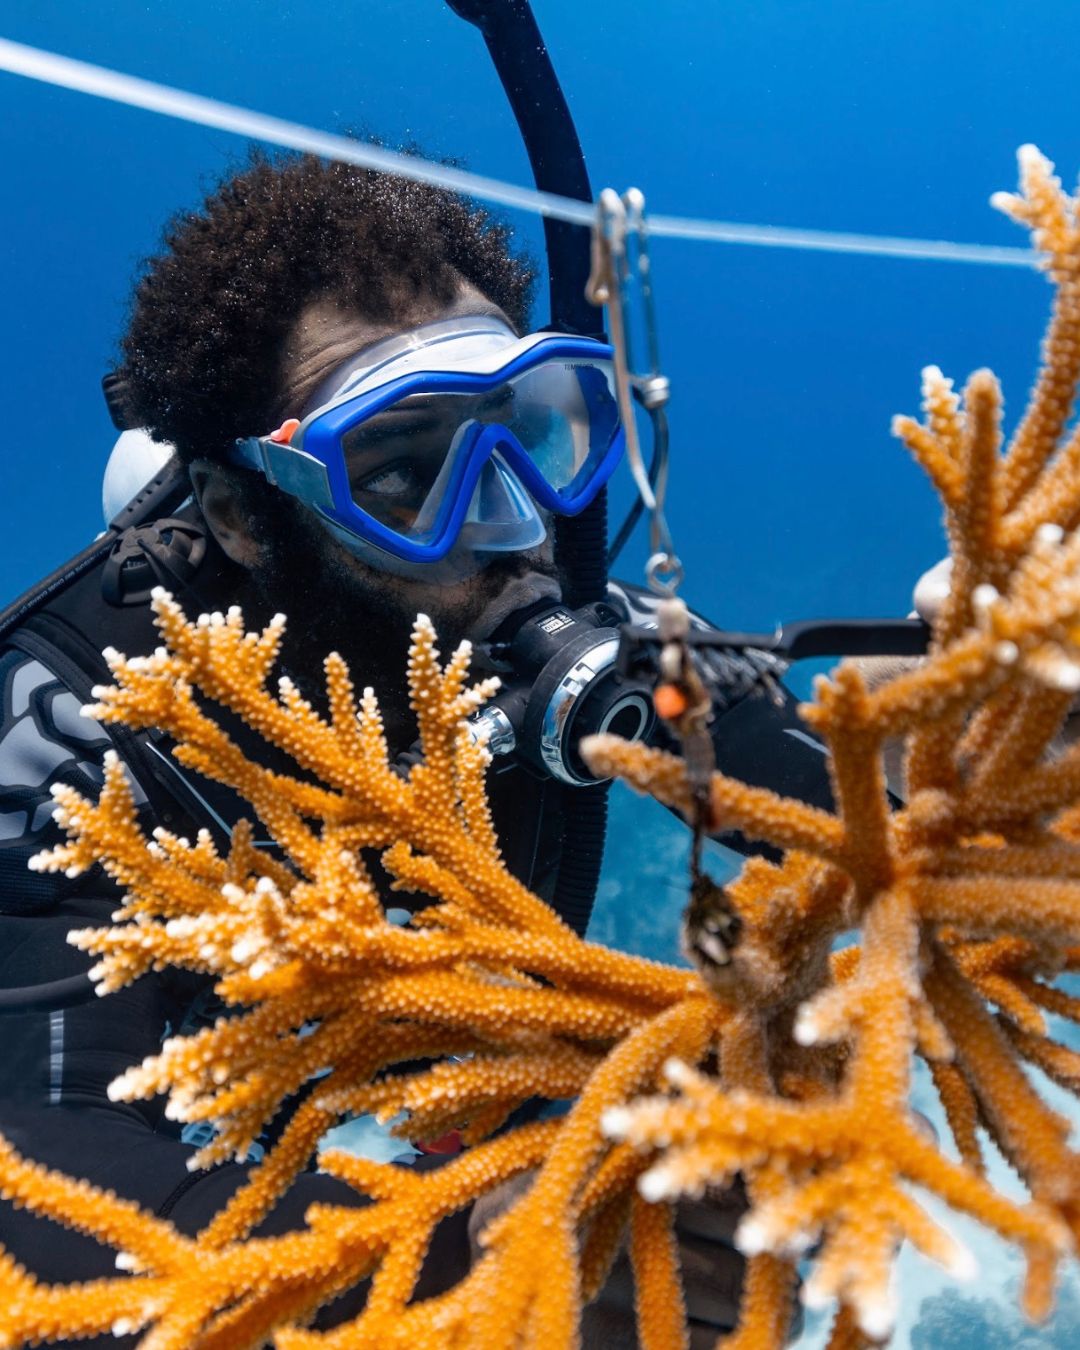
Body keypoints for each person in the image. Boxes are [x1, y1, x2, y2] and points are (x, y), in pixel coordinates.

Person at [0, 152, 828, 1343]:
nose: (506, 527)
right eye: (401, 473)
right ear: (243, 512)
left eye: (530, 439)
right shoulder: (75, 715)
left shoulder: (547, 613)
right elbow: (39, 1175)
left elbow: (824, 792)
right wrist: (483, 1268)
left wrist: (943, 751)